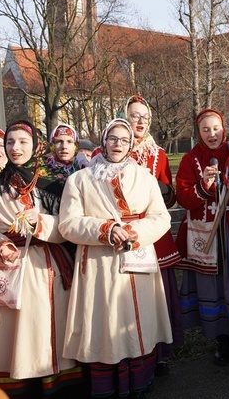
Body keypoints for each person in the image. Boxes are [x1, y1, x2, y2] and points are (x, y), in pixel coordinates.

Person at [59, 118, 172, 398]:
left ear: (131, 144)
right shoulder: (79, 180)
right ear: (103, 140)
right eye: (113, 138)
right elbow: (68, 224)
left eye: (124, 139)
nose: (118, 144)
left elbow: (162, 217)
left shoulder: (145, 177)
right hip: (99, 264)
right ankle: (106, 386)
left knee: (136, 320)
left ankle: (138, 382)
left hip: (137, 257)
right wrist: (105, 229)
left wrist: (133, 232)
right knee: (104, 322)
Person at [0, 120, 80, 396]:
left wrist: (42, 223)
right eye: (10, 142)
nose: (15, 148)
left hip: (48, 265)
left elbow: (68, 227)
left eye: (22, 142)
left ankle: (56, 383)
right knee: (13, 329)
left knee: (49, 324)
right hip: (9, 267)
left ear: (37, 146)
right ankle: (18, 384)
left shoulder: (55, 187)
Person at [175, 109, 229, 367]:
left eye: (216, 128)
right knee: (213, 285)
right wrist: (203, 186)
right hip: (204, 234)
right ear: (199, 132)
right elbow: (183, 198)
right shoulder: (190, 160)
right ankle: (221, 339)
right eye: (206, 129)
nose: (212, 134)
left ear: (224, 128)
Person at [122, 95, 183, 376]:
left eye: (145, 116)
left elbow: (169, 199)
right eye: (135, 115)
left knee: (157, 295)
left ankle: (157, 352)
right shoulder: (112, 148)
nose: (140, 121)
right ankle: (128, 350)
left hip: (153, 235)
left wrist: (155, 186)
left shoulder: (157, 153)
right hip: (122, 234)